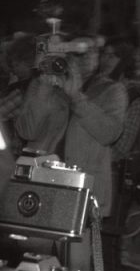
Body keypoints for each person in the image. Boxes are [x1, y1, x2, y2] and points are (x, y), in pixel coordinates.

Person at [16, 32, 127, 270]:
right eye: (77, 54)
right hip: (42, 188)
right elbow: (26, 130)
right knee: (37, 260)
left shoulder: (112, 91)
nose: (84, 59)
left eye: (90, 53)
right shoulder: (43, 85)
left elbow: (109, 133)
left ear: (98, 58)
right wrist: (44, 89)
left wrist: (76, 97)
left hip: (81, 195)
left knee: (76, 264)